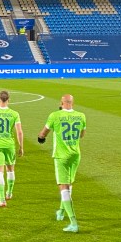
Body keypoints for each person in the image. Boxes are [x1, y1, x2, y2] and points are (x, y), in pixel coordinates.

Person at [37, 95, 86, 233]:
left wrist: (40, 138)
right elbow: (82, 134)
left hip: (61, 156)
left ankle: (73, 223)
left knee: (63, 186)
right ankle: (61, 211)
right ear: (72, 103)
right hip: (75, 155)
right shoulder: (81, 116)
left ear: (61, 103)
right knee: (68, 183)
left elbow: (43, 133)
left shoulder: (55, 115)